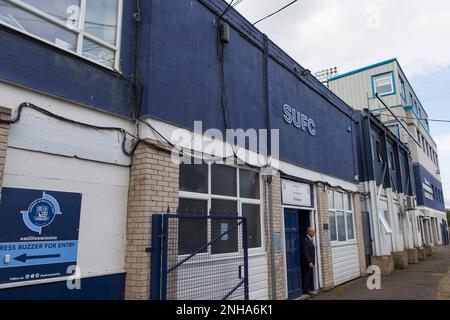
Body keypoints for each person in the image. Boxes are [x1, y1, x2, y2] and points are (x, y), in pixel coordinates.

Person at [301, 227, 316, 294]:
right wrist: (309, 261)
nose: (314, 233)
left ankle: (308, 288)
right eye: (313, 232)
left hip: (310, 262)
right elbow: (305, 252)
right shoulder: (305, 240)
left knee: (308, 276)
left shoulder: (310, 240)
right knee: (306, 276)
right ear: (309, 232)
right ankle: (305, 290)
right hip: (306, 263)